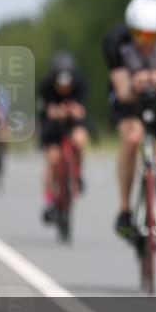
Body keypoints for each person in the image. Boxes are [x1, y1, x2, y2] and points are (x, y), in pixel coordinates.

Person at [103, 0, 156, 255]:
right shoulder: (116, 41)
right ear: (130, 30)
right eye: (141, 36)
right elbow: (122, 90)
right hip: (129, 101)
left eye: (153, 36)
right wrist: (136, 84)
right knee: (132, 138)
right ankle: (125, 210)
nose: (147, 43)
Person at [37, 52, 90, 222]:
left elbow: (82, 109)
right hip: (52, 127)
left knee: (80, 140)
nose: (64, 86)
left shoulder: (80, 85)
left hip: (73, 123)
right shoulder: (45, 87)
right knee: (53, 159)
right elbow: (44, 110)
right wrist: (55, 112)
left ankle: (77, 174)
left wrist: (74, 112)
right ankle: (50, 200)